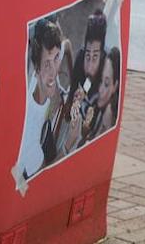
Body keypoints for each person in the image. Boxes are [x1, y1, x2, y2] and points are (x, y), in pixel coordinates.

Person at [17, 18, 71, 179]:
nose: (54, 70)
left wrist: (74, 79)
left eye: (56, 59)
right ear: (37, 68)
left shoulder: (47, 54)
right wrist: (70, 143)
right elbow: (44, 181)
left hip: (44, 125)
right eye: (47, 63)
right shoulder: (30, 137)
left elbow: (67, 46)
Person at [59, 12, 107, 155]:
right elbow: (76, 85)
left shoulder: (106, 68)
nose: (90, 65)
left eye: (95, 57)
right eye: (88, 56)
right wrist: (74, 100)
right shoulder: (81, 58)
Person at [84, 46, 121, 143]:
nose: (100, 90)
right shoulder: (99, 105)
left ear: (115, 86)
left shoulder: (110, 112)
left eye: (106, 84)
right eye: (101, 80)